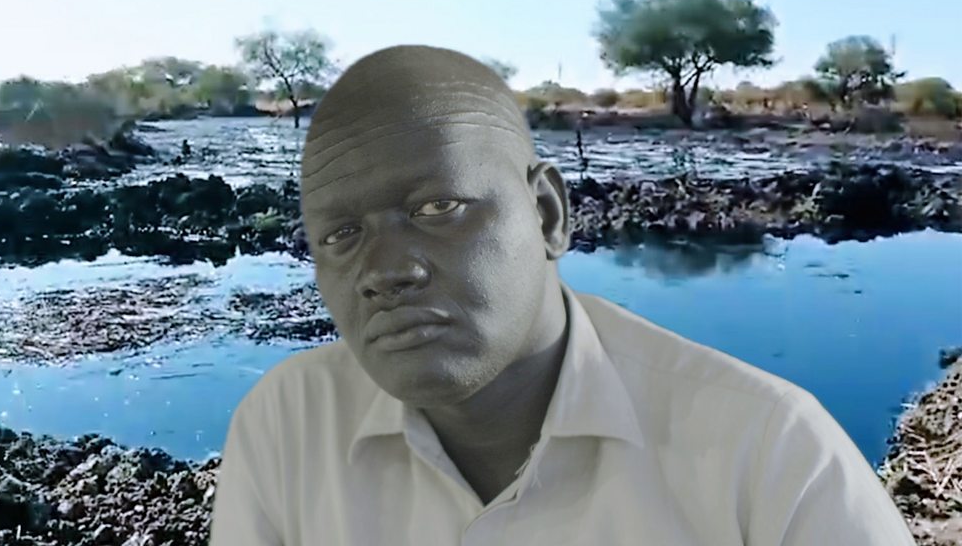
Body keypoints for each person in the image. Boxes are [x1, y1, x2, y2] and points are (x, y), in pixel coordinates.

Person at [209, 45, 916, 545]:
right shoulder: (284, 428)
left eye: (438, 208)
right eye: (341, 235)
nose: (384, 270)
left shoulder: (771, 455)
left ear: (547, 214)